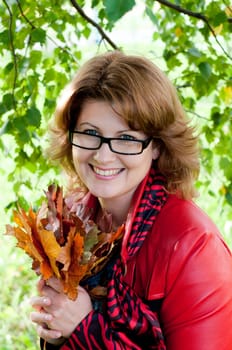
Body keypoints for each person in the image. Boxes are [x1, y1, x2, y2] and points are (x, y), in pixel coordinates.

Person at [30, 50, 232, 350]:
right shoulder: (71, 222)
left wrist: (86, 329)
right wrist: (60, 335)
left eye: (125, 138)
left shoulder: (193, 245)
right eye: (89, 133)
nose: (103, 155)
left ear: (157, 147)